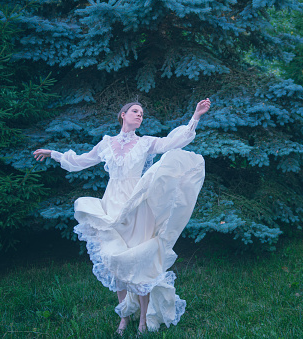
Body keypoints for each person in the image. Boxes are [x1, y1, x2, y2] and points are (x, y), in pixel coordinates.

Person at [33, 98, 210, 334]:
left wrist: (195, 116)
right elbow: (80, 161)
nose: (140, 115)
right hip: (112, 206)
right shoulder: (107, 144)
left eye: (142, 113)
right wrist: (53, 153)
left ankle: (143, 321)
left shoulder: (145, 142)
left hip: (137, 205)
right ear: (123, 115)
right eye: (135, 111)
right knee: (116, 262)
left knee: (138, 262)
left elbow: (172, 142)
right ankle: (124, 317)